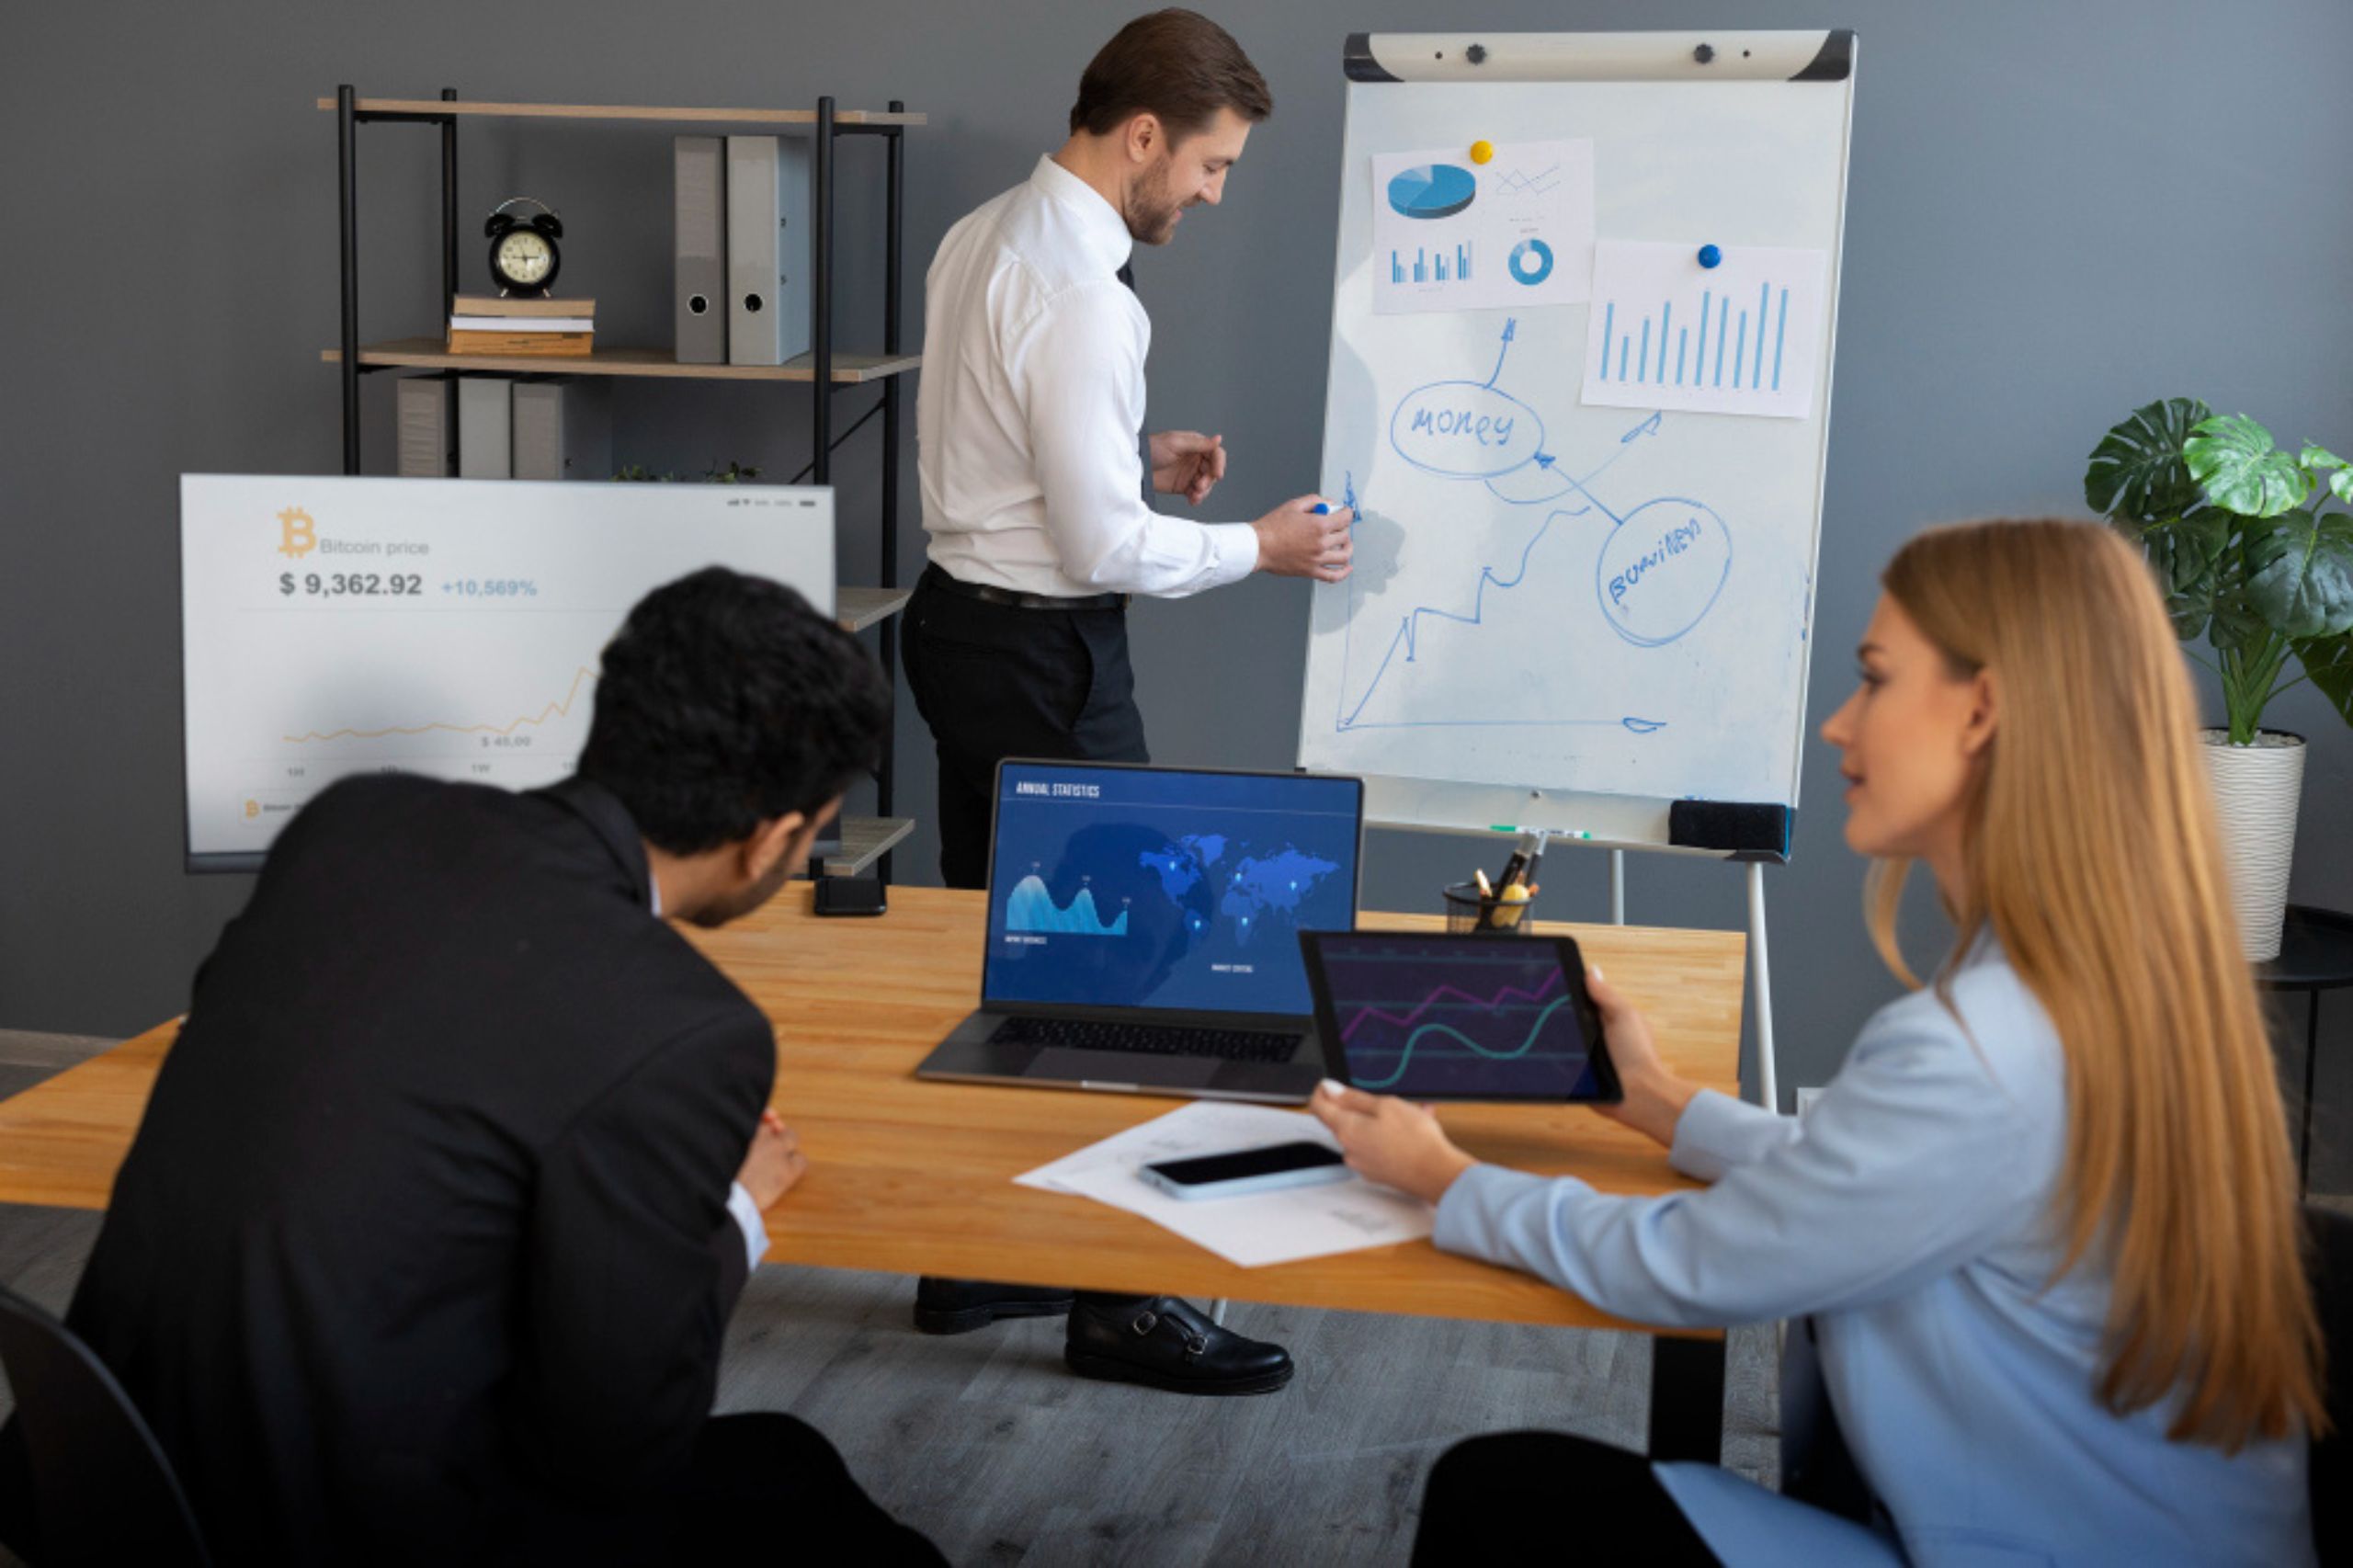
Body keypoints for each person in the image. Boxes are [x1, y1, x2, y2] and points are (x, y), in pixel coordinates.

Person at [1312, 519, 2323, 1564]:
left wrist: (1442, 1175)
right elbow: (1874, 1184)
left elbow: (1691, 1264)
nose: (1839, 726)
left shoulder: (1978, 1049)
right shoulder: (2094, 982)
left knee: (1501, 1496)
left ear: (1982, 709)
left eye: (1875, 680)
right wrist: (1656, 1097)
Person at [12, 570, 941, 1565]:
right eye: (812, 834)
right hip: (357, 1529)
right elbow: (614, 1446)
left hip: (105, 1468)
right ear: (769, 835)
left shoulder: (351, 823)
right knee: (794, 1477)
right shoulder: (688, 1028)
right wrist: (737, 1216)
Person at [903, 7, 1343, 1394]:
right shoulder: (1090, 296)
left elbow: (1004, 438)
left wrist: (1130, 449)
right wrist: (1261, 547)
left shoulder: (986, 235)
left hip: (962, 637)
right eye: (1211, 165)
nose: (1213, 194)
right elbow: (1097, 549)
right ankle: (1123, 1303)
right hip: (1048, 660)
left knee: (1008, 972)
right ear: (1144, 136)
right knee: (1123, 979)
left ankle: (977, 1255)